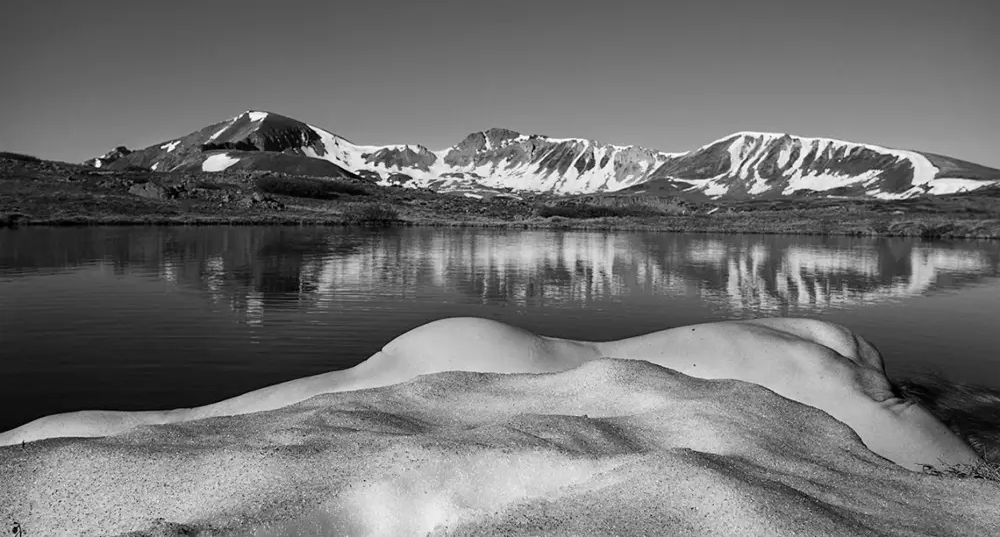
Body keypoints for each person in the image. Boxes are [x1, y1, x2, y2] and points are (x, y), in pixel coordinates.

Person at [0, 317, 982, 471]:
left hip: (467, 355)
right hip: (464, 355)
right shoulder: (813, 350)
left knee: (189, 430)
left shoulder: (807, 354)